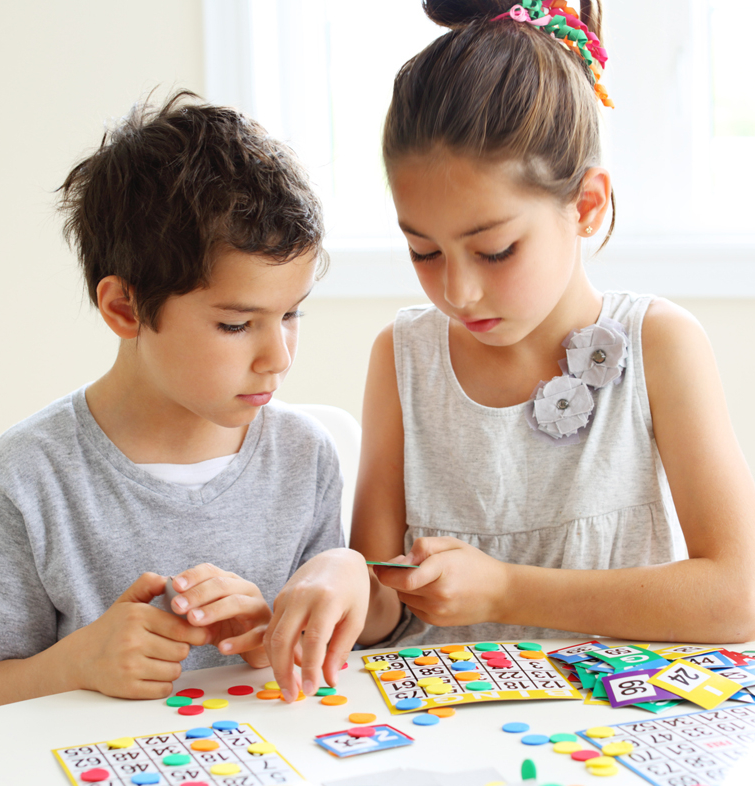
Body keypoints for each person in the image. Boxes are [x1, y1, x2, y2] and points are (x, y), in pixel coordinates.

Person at [267, 0, 755, 702]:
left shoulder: (660, 347)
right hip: (438, 737)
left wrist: (505, 588)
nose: (458, 292)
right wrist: (341, 574)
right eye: (423, 251)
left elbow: (736, 595)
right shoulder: (403, 356)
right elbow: (381, 608)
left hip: (614, 738)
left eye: (494, 250)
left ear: (586, 206)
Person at [0, 91, 366, 711]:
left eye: (291, 314)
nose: (279, 357)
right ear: (124, 308)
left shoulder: (305, 457)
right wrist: (80, 661)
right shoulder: (28, 475)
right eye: (236, 325)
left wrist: (270, 639)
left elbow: (319, 664)